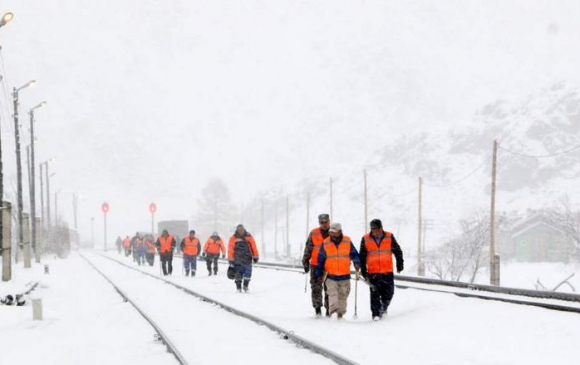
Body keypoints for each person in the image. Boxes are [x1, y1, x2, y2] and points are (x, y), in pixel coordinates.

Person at [360, 219, 404, 321]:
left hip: (387, 271)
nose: (376, 232)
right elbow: (362, 256)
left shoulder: (389, 236)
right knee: (375, 294)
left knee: (389, 292)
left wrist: (400, 263)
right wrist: (363, 270)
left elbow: (397, 251)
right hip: (373, 272)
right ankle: (376, 314)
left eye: (378, 229)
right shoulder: (365, 239)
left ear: (381, 228)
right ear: (371, 229)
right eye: (374, 230)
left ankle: (383, 308)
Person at [315, 223, 360, 320]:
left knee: (342, 298)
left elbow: (355, 254)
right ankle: (334, 314)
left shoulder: (347, 241)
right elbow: (320, 259)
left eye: (334, 232)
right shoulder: (326, 242)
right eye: (330, 232)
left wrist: (357, 263)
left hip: (344, 276)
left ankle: (340, 316)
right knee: (333, 296)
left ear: (340, 231)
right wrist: (318, 274)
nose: (331, 234)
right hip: (331, 276)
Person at [302, 213, 331, 318]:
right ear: (319, 222)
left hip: (330, 266)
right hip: (315, 265)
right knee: (316, 288)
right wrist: (305, 260)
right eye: (321, 222)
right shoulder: (314, 233)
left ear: (329, 221)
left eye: (326, 222)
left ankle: (329, 311)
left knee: (330, 289)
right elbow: (308, 248)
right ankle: (317, 310)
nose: (324, 224)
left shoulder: (334, 233)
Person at [228, 224, 259, 292]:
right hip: (237, 259)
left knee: (248, 273)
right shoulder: (233, 238)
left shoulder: (249, 236)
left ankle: (245, 286)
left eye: (242, 229)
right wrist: (230, 259)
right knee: (238, 274)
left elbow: (253, 246)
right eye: (239, 230)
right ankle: (238, 287)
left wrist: (255, 256)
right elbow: (231, 249)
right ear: (237, 230)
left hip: (247, 258)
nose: (241, 231)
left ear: (244, 229)